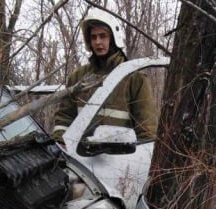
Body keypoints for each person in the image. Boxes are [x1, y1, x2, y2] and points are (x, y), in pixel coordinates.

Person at [52, 8, 157, 141]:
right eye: (93, 37)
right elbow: (64, 117)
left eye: (103, 36)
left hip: (121, 159)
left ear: (113, 39)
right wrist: (60, 142)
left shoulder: (134, 78)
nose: (97, 42)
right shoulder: (78, 77)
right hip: (78, 157)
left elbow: (147, 130)